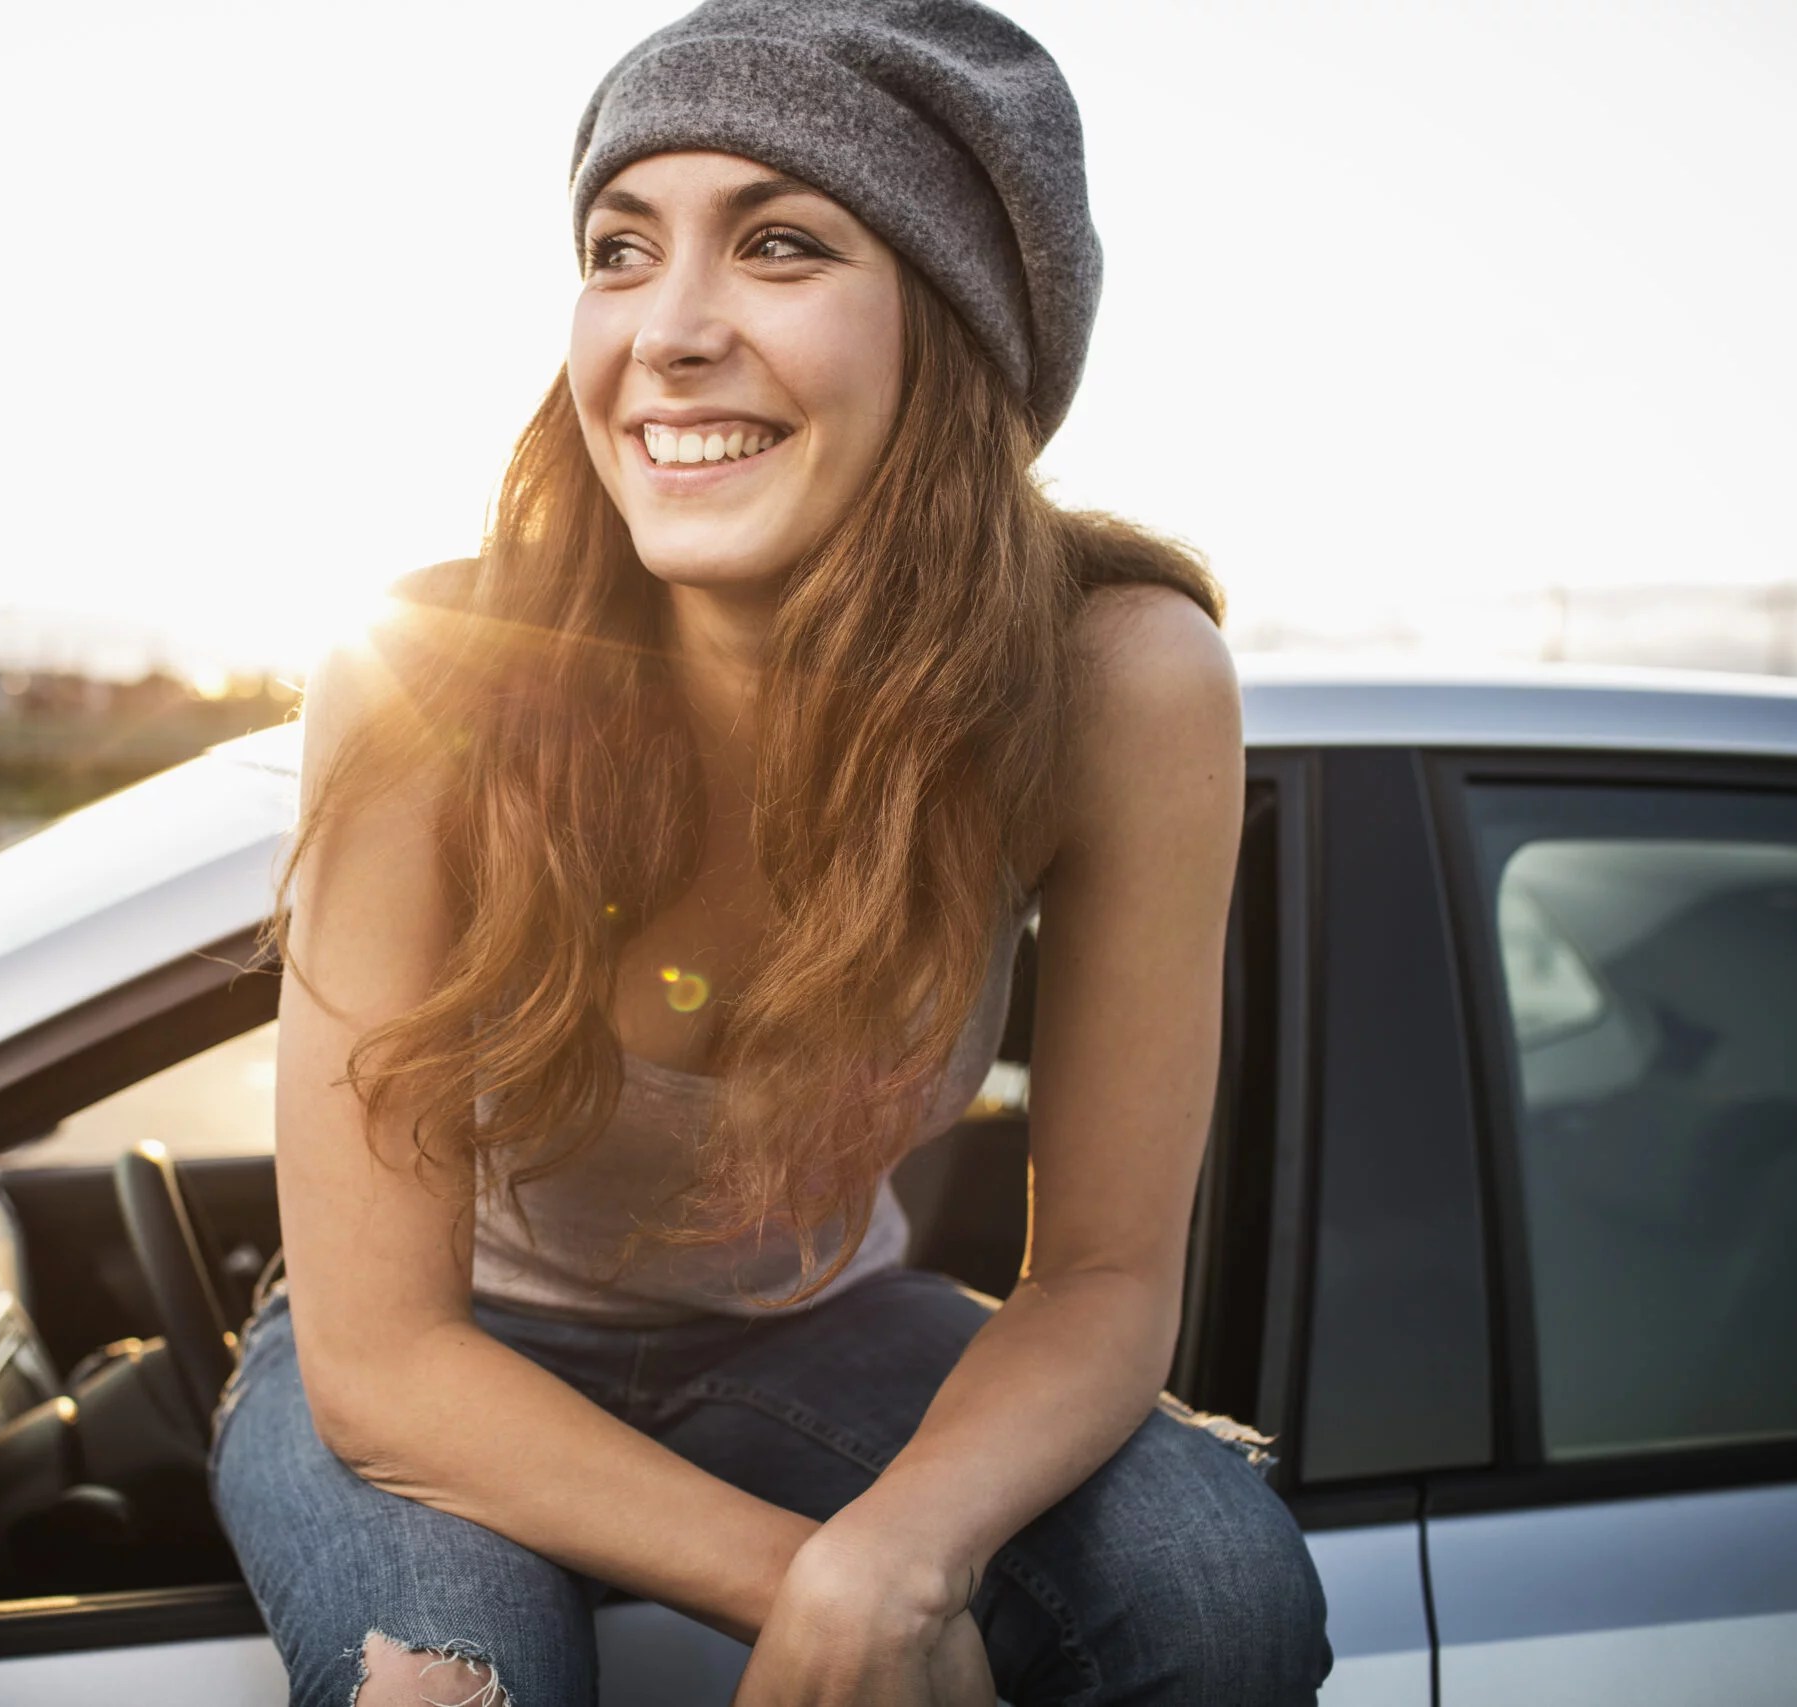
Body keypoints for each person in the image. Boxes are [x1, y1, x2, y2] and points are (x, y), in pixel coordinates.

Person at [208, 1, 1335, 1701]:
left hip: (823, 1332)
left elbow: (1103, 1279)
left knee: (1213, 1591)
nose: (668, 332)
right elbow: (384, 1362)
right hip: (442, 1344)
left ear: (954, 326)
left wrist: (906, 1549)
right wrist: (825, 1593)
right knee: (444, 1689)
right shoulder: (424, 674)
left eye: (781, 245)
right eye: (619, 250)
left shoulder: (1117, 682)